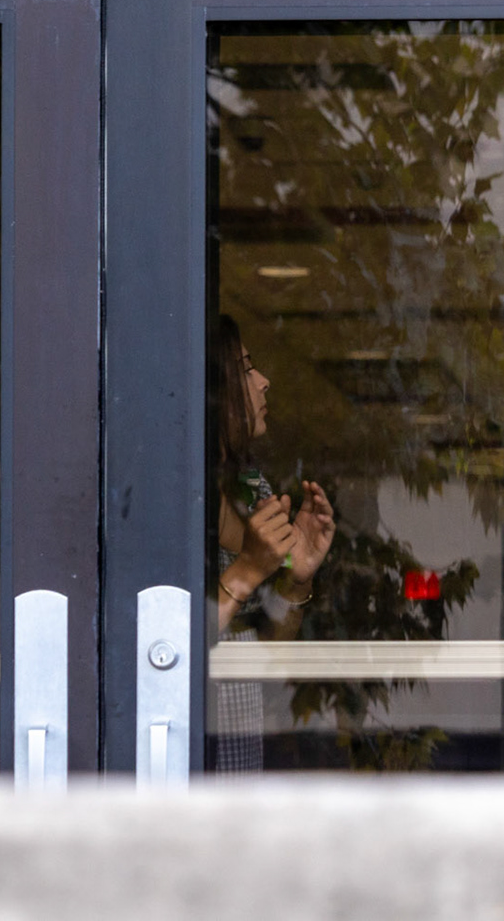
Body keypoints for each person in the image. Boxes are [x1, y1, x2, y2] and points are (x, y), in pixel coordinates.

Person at [208, 314, 335, 772]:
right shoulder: (172, 499)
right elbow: (163, 648)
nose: (264, 381)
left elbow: (271, 656)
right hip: (187, 754)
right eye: (245, 370)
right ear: (211, 390)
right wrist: (246, 570)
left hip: (242, 749)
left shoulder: (251, 489)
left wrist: (297, 581)